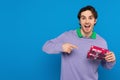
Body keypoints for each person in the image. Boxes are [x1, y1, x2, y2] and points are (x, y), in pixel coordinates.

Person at [42, 5, 116, 80]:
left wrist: (111, 60)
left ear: (95, 20)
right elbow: (46, 46)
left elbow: (106, 66)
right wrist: (61, 47)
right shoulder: (67, 36)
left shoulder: (101, 42)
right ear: (79, 21)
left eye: (90, 18)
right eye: (83, 18)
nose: (87, 21)